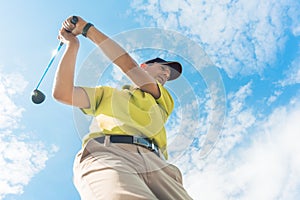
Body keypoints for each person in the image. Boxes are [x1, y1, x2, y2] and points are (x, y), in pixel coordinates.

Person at [53, 15, 193, 200]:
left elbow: (127, 65)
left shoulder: (163, 99)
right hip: (110, 155)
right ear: (145, 66)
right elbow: (63, 92)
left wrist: (87, 29)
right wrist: (73, 45)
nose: (166, 74)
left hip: (159, 167)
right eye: (163, 68)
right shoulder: (107, 95)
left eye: (169, 74)